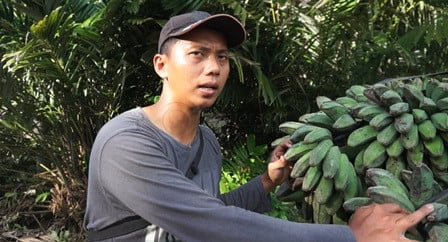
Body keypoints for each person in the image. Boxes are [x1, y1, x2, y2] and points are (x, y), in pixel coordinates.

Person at [84, 10, 434, 242]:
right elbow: (210, 225)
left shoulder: (205, 140)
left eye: (222, 57)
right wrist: (351, 236)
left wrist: (268, 181)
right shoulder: (125, 142)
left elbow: (208, 207)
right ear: (161, 65)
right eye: (197, 54)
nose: (214, 68)